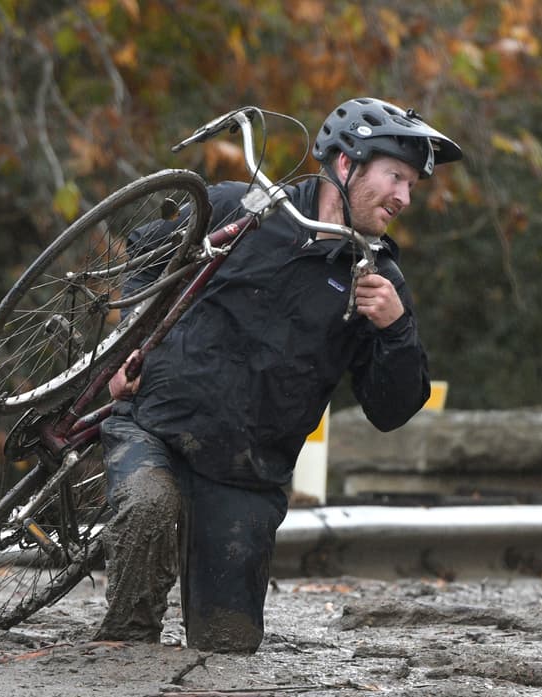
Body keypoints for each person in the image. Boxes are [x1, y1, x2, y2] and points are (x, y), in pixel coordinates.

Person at [94, 97, 463, 653]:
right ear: (346, 164)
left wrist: (395, 329)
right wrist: (128, 342)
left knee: (228, 648)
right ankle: (124, 645)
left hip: (246, 476)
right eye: (396, 177)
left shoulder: (378, 282)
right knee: (148, 507)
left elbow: (391, 411)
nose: (404, 198)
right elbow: (145, 252)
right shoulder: (241, 209)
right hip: (155, 427)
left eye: (411, 185)